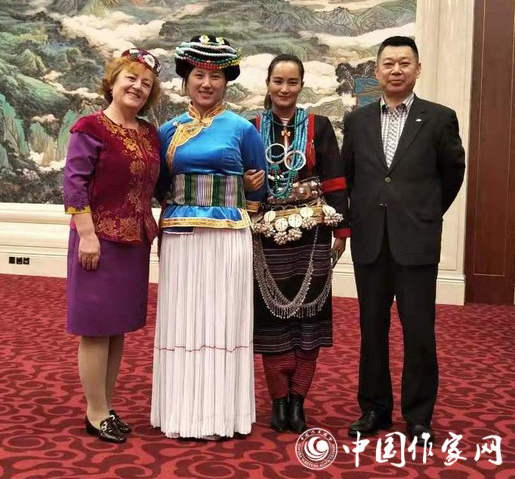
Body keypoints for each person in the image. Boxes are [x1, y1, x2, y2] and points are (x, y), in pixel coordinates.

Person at [341, 36, 465, 444]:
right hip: (371, 241)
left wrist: (425, 212)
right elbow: (350, 176)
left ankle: (418, 416)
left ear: (417, 69)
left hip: (416, 241)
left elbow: (453, 173)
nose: (396, 70)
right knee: (371, 330)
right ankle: (374, 409)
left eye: (404, 63)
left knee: (419, 332)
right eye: (389, 63)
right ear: (377, 71)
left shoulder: (439, 118)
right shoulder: (357, 121)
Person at [151, 35, 267, 440]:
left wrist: (250, 189)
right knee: (183, 319)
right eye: (199, 75)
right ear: (186, 79)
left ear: (226, 82)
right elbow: (159, 186)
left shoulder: (242, 129)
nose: (207, 83)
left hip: (228, 236)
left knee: (222, 319)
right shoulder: (168, 131)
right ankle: (181, 414)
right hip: (181, 235)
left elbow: (259, 189)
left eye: (215, 76)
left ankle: (220, 416)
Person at [246, 54, 350, 434]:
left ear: (302, 85)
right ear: (268, 84)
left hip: (313, 235)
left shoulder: (320, 126)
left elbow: (335, 180)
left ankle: (298, 400)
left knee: (309, 321)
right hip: (267, 236)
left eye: (292, 82)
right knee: (271, 319)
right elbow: (242, 180)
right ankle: (278, 400)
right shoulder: (252, 127)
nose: (284, 89)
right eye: (278, 81)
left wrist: (341, 232)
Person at [63, 49, 162, 443]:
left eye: (146, 84)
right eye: (131, 78)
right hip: (98, 242)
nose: (138, 87)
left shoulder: (149, 133)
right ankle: (95, 411)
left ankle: (105, 404)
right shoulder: (90, 127)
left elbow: (161, 181)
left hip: (135, 242)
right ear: (113, 82)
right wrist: (87, 236)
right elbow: (75, 186)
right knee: (95, 329)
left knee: (117, 327)